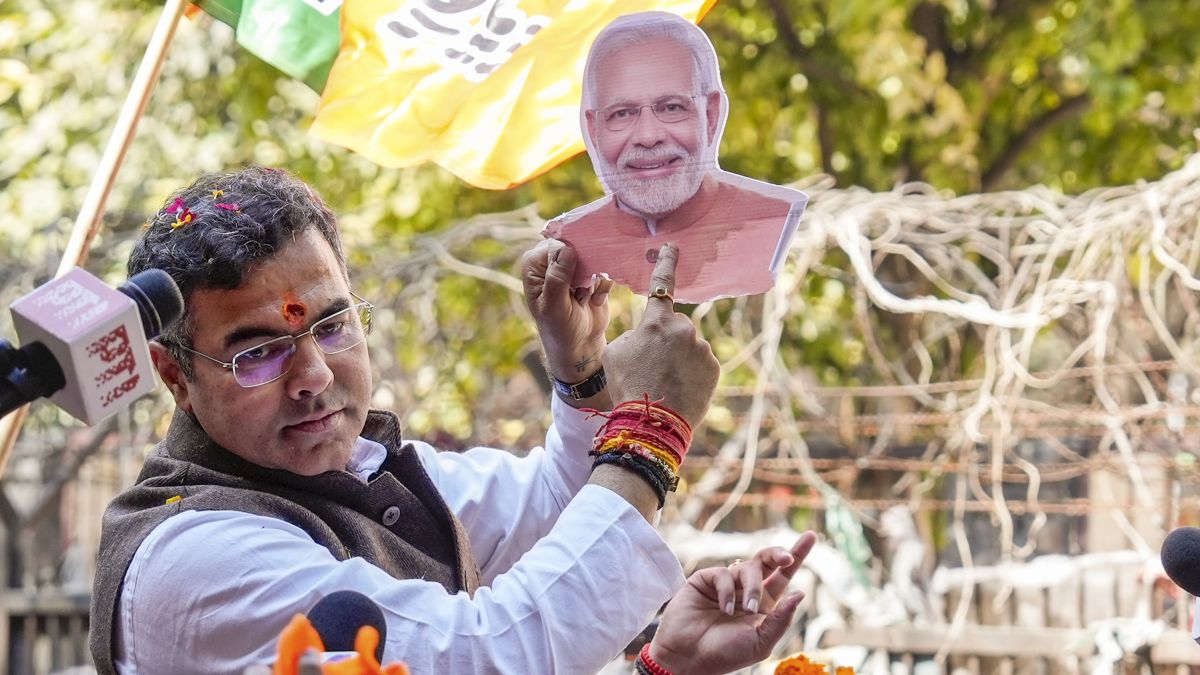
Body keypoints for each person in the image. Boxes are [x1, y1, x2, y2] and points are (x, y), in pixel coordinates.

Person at [87, 166, 813, 674]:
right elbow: (482, 657)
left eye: (334, 325)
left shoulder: (360, 473)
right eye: (259, 353)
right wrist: (651, 430)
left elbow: (553, 515)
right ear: (174, 373)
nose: (313, 378)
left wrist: (582, 371)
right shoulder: (191, 557)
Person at [544, 11, 808, 304]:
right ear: (593, 129)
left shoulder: (771, 222)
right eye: (622, 114)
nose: (647, 135)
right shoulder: (570, 245)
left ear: (710, 115)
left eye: (671, 108)